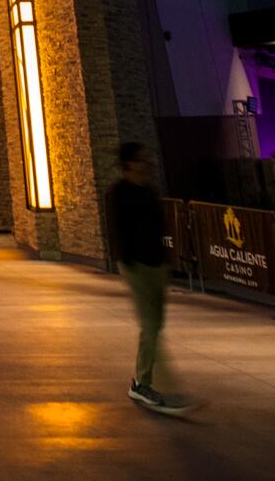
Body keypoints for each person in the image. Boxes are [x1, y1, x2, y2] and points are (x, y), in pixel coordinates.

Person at [107, 142, 192, 415]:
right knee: (151, 324)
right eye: (142, 159)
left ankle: (147, 382)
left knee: (156, 324)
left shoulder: (150, 191)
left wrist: (165, 262)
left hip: (155, 266)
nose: (147, 163)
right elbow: (117, 230)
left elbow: (159, 228)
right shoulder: (118, 193)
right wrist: (127, 262)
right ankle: (145, 383)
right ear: (130, 163)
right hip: (136, 267)